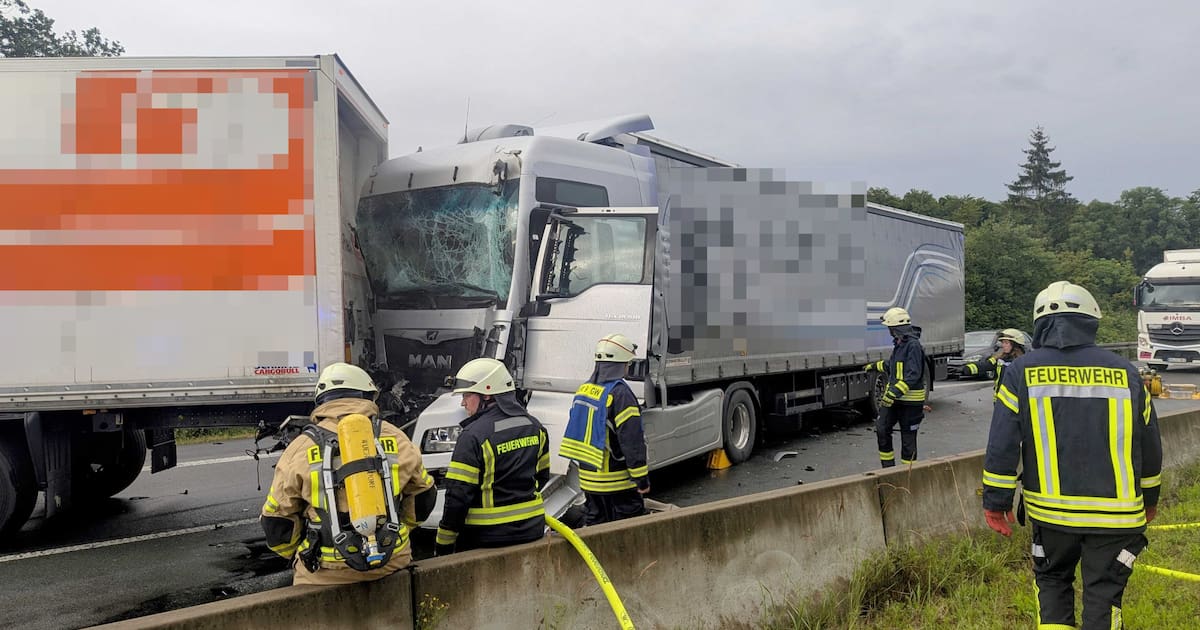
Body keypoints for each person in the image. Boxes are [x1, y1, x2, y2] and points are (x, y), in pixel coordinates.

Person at [982, 281, 1163, 630]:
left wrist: (996, 501)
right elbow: (1151, 447)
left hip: (1051, 517)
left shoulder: (1020, 373)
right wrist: (1150, 499)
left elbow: (1002, 444)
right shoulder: (1126, 374)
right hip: (1117, 518)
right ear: (1091, 320)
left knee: (1051, 584)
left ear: (1039, 324)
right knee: (1103, 596)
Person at [260, 362, 435, 585]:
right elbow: (424, 496)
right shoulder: (396, 437)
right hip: (392, 563)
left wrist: (298, 551)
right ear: (368, 397)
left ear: (321, 402)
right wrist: (399, 531)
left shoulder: (300, 447)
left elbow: (276, 521)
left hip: (325, 573)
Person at [435, 358, 550, 555]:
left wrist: (443, 543)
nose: (463, 403)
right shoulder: (535, 427)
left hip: (485, 538)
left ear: (487, 394)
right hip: (532, 530)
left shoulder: (473, 436)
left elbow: (458, 496)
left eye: (467, 395)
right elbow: (541, 477)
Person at [559, 333, 651, 525]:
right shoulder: (621, 394)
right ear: (622, 365)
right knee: (628, 530)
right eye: (627, 363)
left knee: (596, 530)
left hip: (588, 482)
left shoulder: (584, 390)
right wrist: (641, 479)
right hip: (617, 482)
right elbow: (632, 441)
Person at [864, 307, 928, 468]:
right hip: (895, 401)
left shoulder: (913, 345)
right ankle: (888, 470)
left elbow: (912, 374)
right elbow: (894, 366)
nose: (889, 332)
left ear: (896, 328)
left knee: (908, 440)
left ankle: (906, 474)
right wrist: (875, 366)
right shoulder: (900, 344)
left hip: (910, 403)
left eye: (890, 328)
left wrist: (892, 393)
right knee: (882, 429)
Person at [963, 328, 1030, 397]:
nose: (1003, 345)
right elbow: (986, 365)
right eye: (1003, 342)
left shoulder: (1024, 361)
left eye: (1006, 343)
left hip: (1015, 400)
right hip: (1000, 400)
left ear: (1015, 345)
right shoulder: (999, 359)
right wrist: (968, 368)